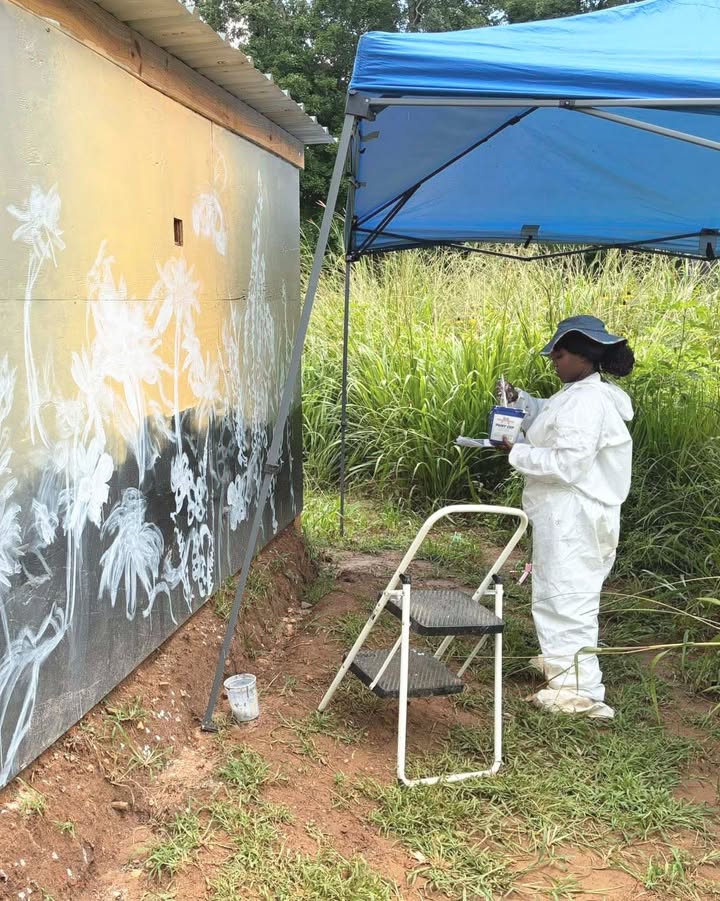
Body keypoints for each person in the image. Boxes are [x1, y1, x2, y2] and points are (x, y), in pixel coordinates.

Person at [499, 315, 635, 719]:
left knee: (565, 598)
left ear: (584, 354)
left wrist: (512, 451)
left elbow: (569, 462)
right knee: (565, 593)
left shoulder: (588, 401)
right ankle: (563, 663)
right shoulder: (584, 393)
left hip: (575, 514)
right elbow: (550, 418)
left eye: (559, 353)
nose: (553, 360)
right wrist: (522, 401)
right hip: (576, 514)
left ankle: (579, 692)